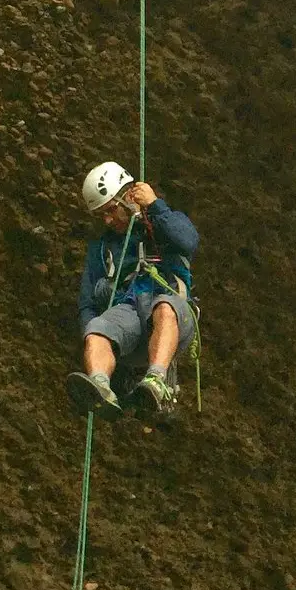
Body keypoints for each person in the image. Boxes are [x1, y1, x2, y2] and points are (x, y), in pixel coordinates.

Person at [66, 161, 199, 418]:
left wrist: (154, 205)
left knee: (164, 307)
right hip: (129, 314)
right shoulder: (103, 248)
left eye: (112, 210)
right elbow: (87, 304)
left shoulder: (163, 223)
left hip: (172, 311)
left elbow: (188, 241)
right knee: (96, 330)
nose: (107, 219)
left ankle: (157, 380)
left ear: (129, 197)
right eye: (101, 214)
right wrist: (101, 337)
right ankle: (100, 385)